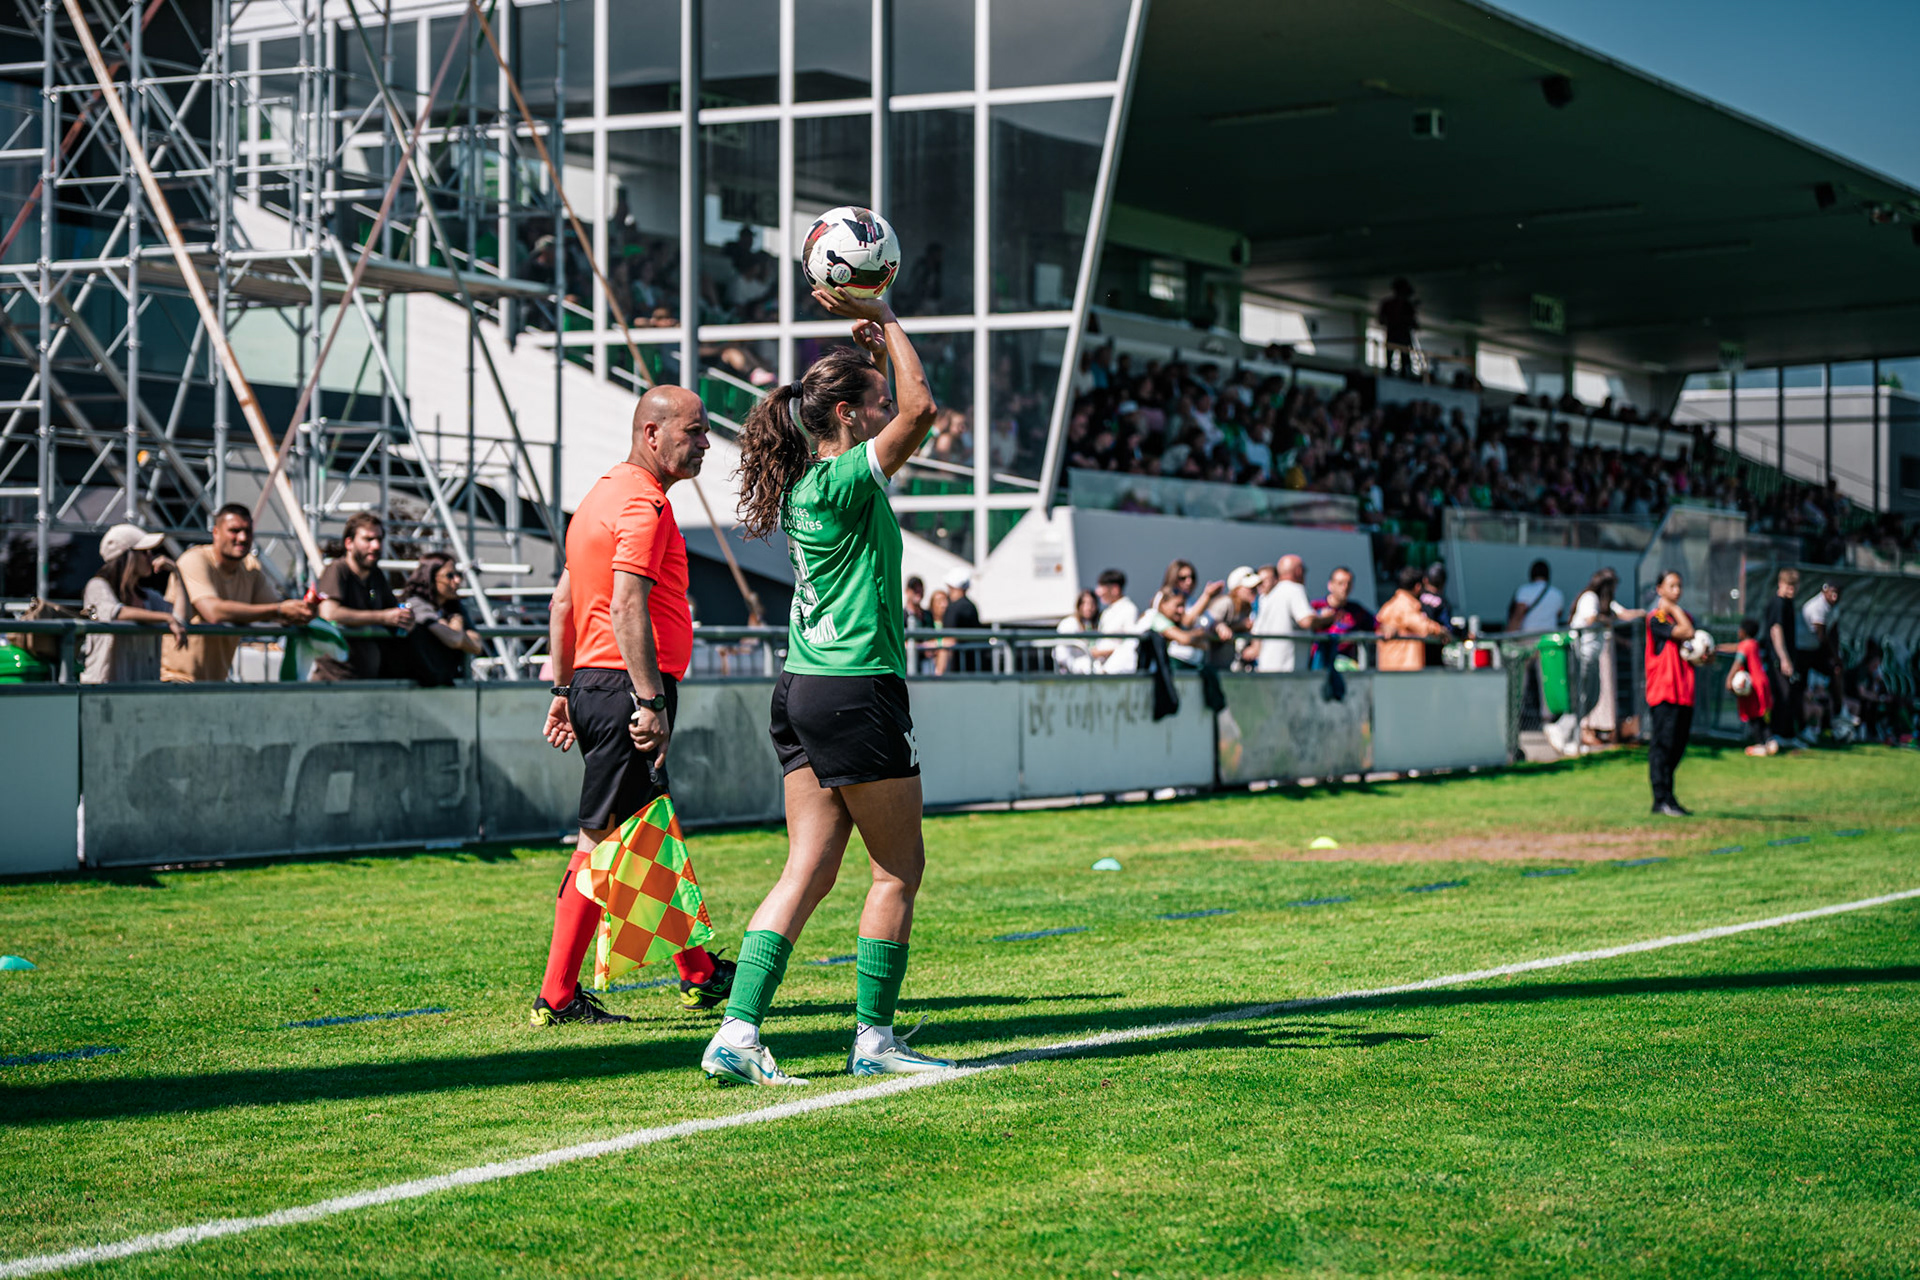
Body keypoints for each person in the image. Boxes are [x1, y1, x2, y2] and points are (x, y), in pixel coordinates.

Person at [702, 285, 945, 1086]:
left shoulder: (809, 479)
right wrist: (892, 323)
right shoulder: (844, 480)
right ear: (845, 415)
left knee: (806, 869)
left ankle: (736, 1033)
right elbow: (922, 411)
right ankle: (874, 1042)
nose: (883, 411)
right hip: (856, 687)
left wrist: (870, 350)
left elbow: (896, 407)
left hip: (801, 687)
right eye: (868, 402)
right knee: (896, 872)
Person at [536, 385, 735, 1026]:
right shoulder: (643, 506)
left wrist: (564, 692)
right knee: (598, 841)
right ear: (652, 434)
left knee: (647, 832)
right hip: (626, 689)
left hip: (596, 685)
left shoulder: (599, 495)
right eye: (695, 431)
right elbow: (624, 607)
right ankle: (557, 997)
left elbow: (563, 605)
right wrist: (649, 700)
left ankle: (699, 976)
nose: (705, 443)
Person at [162, 504, 314, 683]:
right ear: (216, 532)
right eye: (234, 531)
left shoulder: (250, 568)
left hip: (214, 683)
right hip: (176, 679)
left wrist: (303, 611)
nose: (242, 538)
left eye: (247, 531)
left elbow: (278, 612)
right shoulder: (194, 560)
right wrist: (280, 610)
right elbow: (213, 612)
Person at [313, 512, 414, 681]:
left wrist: (405, 618)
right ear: (349, 543)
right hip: (335, 682)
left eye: (380, 539)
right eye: (368, 539)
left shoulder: (376, 576)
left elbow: (392, 610)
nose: (376, 546)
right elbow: (329, 613)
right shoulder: (337, 570)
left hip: (369, 680)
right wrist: (382, 617)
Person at [81, 523, 184, 684]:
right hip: (103, 687)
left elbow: (180, 617)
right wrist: (166, 618)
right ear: (126, 556)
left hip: (142, 688)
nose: (152, 557)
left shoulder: (148, 596)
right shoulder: (97, 586)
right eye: (144, 552)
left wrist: (177, 573)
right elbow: (116, 613)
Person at [1644, 569, 1703, 816]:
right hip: (1664, 691)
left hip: (1684, 691)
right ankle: (1661, 799)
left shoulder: (1685, 616)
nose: (1677, 591)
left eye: (1679, 586)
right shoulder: (1657, 617)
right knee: (1663, 745)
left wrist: (1704, 654)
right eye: (1672, 586)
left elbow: (1694, 642)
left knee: (1678, 746)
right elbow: (1686, 632)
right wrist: (1669, 607)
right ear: (1660, 589)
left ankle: (1669, 797)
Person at [1568, 568, 1643, 745]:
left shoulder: (1606, 603)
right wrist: (1610, 620)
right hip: (1581, 654)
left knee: (1593, 696)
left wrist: (1645, 613)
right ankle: (1570, 732)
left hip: (1593, 655)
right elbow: (1590, 619)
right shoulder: (1590, 598)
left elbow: (1623, 615)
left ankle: (1573, 734)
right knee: (1583, 696)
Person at [398, 552, 484, 686]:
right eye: (450, 576)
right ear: (431, 577)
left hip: (444, 681)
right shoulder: (415, 604)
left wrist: (452, 627)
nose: (457, 580)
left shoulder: (454, 607)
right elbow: (454, 639)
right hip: (418, 684)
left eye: (458, 575)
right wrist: (456, 626)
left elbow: (477, 645)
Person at [1248, 553, 1314, 673]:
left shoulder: (1267, 597)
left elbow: (1257, 631)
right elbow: (1306, 621)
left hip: (1266, 668)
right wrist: (1326, 618)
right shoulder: (1295, 589)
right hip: (1288, 672)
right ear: (1299, 571)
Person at [1374, 566, 1449, 671]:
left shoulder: (1389, 605)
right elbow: (1422, 625)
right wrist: (1441, 630)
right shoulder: (1405, 605)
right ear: (1418, 587)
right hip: (1404, 667)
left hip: (1388, 666)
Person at [1763, 568, 1800, 745]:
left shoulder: (1788, 603)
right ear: (1780, 584)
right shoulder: (1778, 603)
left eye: (1794, 586)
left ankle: (1787, 734)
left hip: (1786, 657)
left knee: (1789, 694)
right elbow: (1775, 631)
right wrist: (1784, 658)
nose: (1792, 590)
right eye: (1789, 586)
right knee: (1781, 695)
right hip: (1777, 658)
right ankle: (1776, 734)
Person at [1309, 566, 1373, 668]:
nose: (1345, 587)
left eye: (1349, 583)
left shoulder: (1356, 610)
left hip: (1344, 665)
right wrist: (1321, 619)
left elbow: (1376, 624)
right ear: (1330, 585)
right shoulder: (1315, 607)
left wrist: (1388, 628)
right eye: (1340, 583)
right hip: (1318, 663)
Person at [1728, 617, 1775, 756]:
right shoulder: (1753, 643)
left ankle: (1760, 745)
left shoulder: (1745, 646)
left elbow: (1738, 661)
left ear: (1742, 632)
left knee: (1753, 715)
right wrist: (1718, 647)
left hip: (1752, 686)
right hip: (1763, 682)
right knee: (1763, 715)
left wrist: (1729, 679)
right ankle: (1770, 742)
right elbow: (1735, 648)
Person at [1090, 568, 1140, 674]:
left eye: (1101, 587)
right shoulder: (1106, 612)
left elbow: (1130, 644)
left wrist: (1103, 652)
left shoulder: (1129, 609)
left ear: (1115, 589)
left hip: (1116, 669)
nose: (1098, 592)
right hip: (1100, 666)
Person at [940, 566, 984, 673]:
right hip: (974, 668)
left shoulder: (953, 608)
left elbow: (948, 641)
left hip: (957, 669)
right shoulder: (972, 607)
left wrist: (939, 671)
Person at [1507, 559, 1564, 633]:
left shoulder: (1524, 591)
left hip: (1528, 637)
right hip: (1549, 638)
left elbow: (1517, 616)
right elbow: (1558, 615)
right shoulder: (1557, 594)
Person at [1054, 588, 1100, 674]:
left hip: (1089, 668)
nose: (1089, 607)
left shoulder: (1094, 624)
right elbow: (1062, 654)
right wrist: (1072, 669)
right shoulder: (1069, 623)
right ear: (1079, 605)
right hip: (1074, 671)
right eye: (1085, 603)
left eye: (1092, 603)